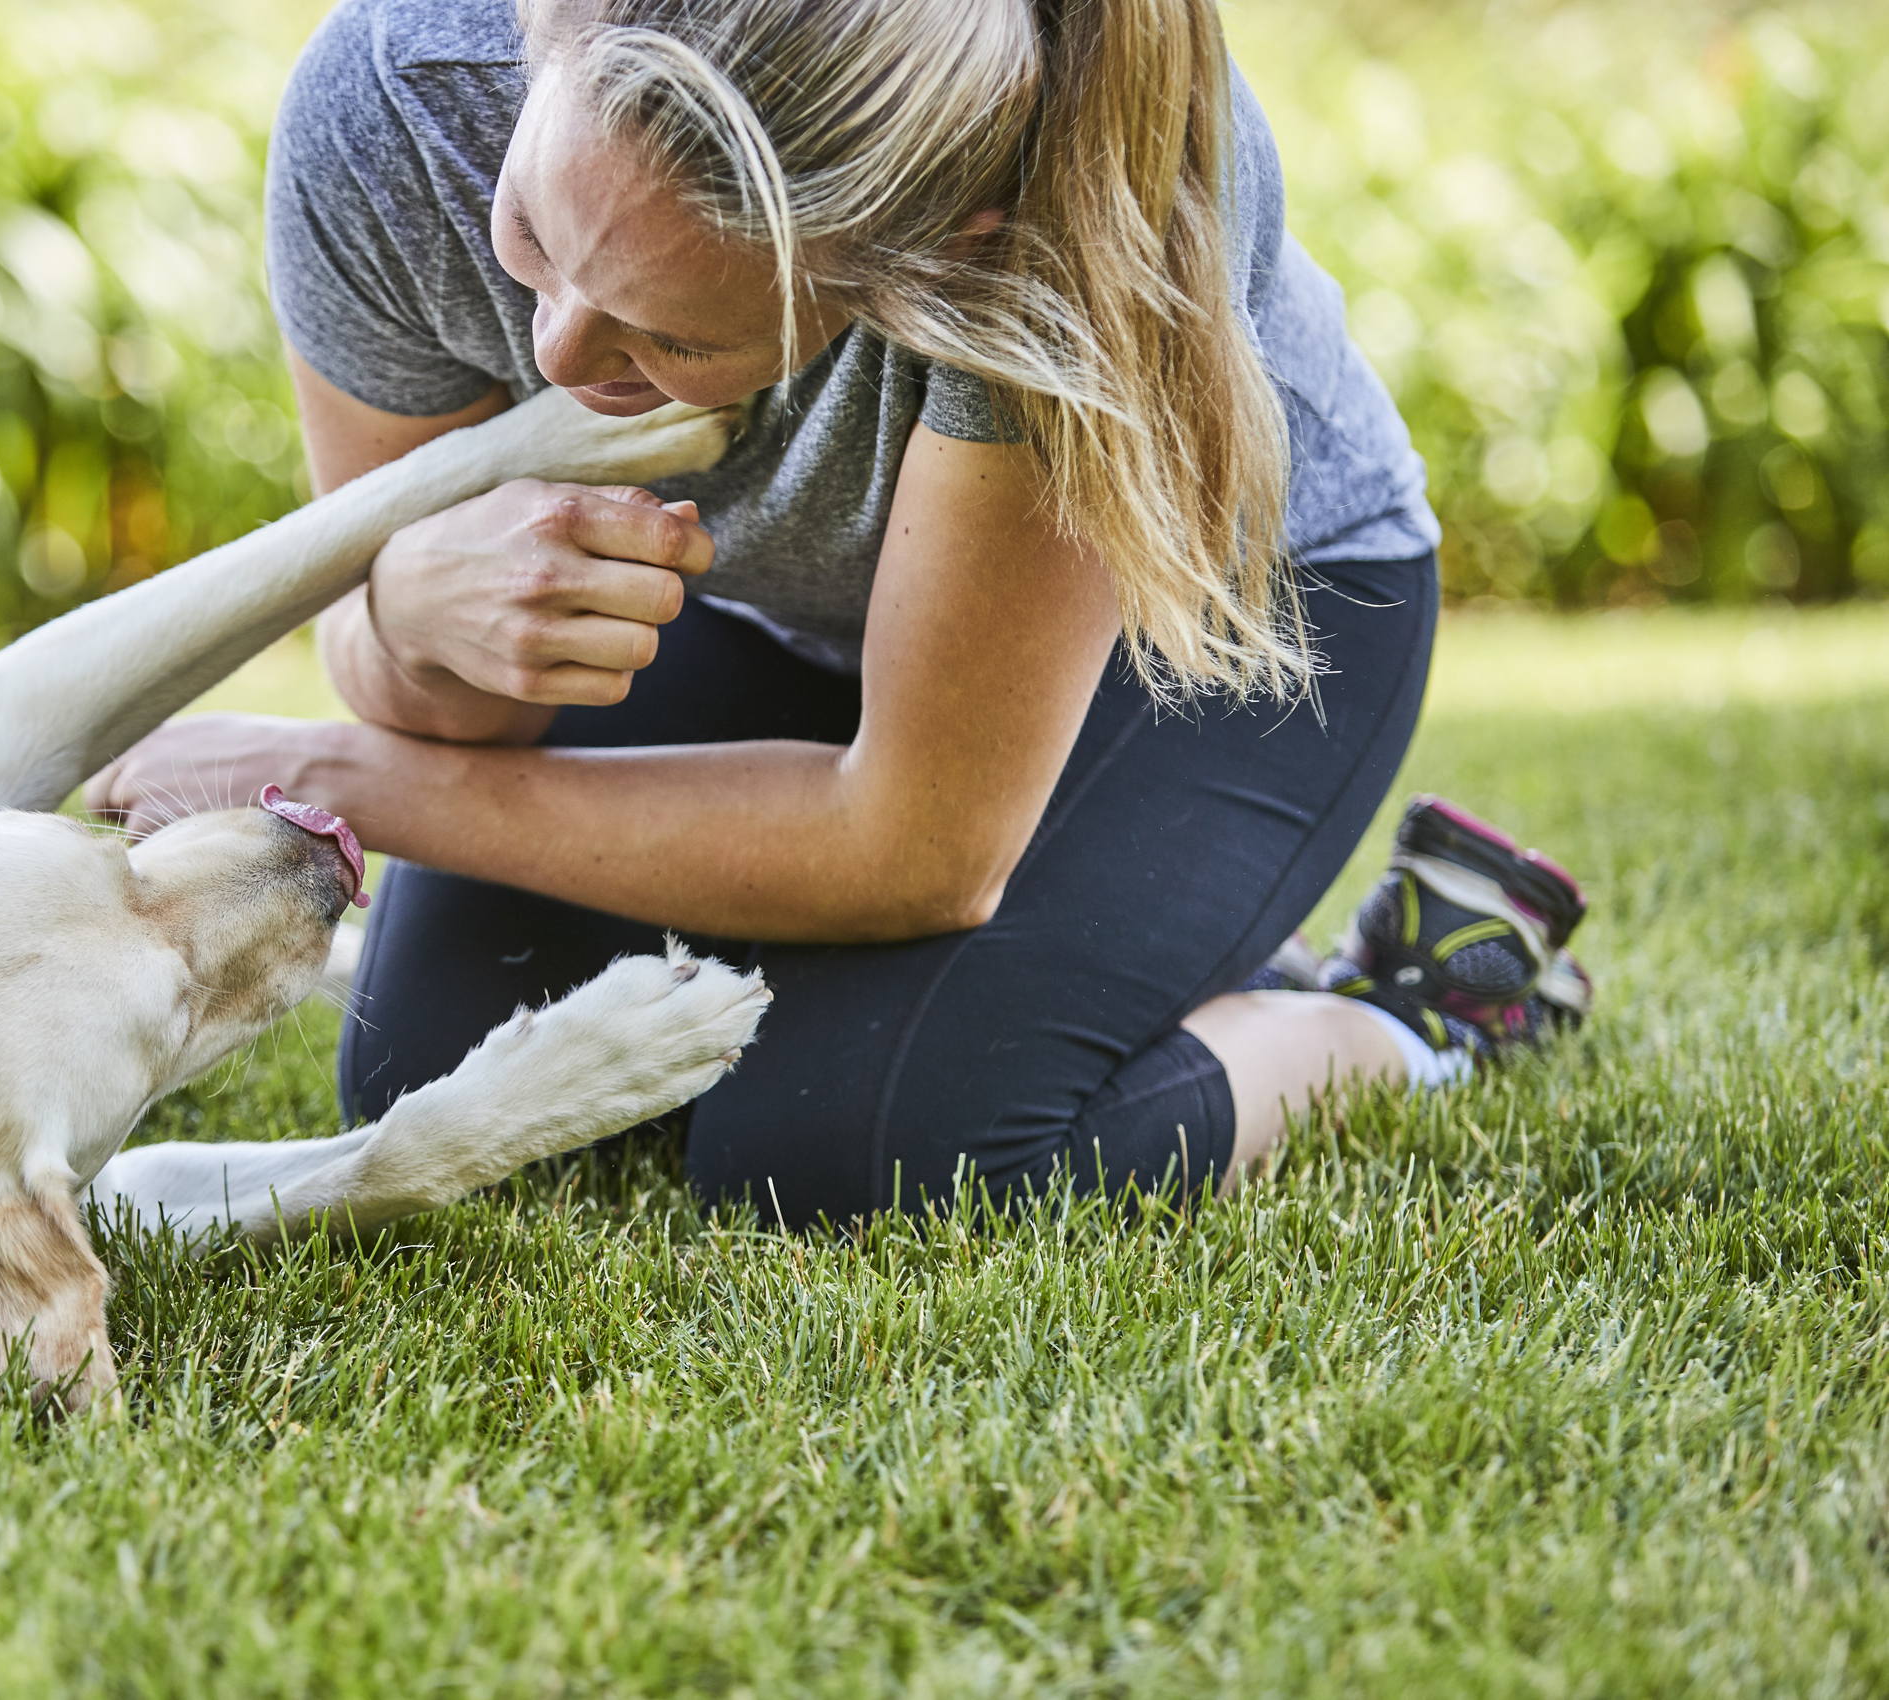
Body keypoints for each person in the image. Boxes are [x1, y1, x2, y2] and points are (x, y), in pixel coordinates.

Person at [86, 0, 1592, 1224]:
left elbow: (914, 845)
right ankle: (1118, 945)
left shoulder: (1060, 233)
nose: (554, 354)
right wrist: (408, 610)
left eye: (674, 335)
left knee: (854, 1144)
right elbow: (451, 709)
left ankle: (1401, 1008)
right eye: (536, 235)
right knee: (433, 1069)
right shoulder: (394, 104)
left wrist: (332, 785)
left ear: (928, 259)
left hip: (1222, 630)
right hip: (788, 613)